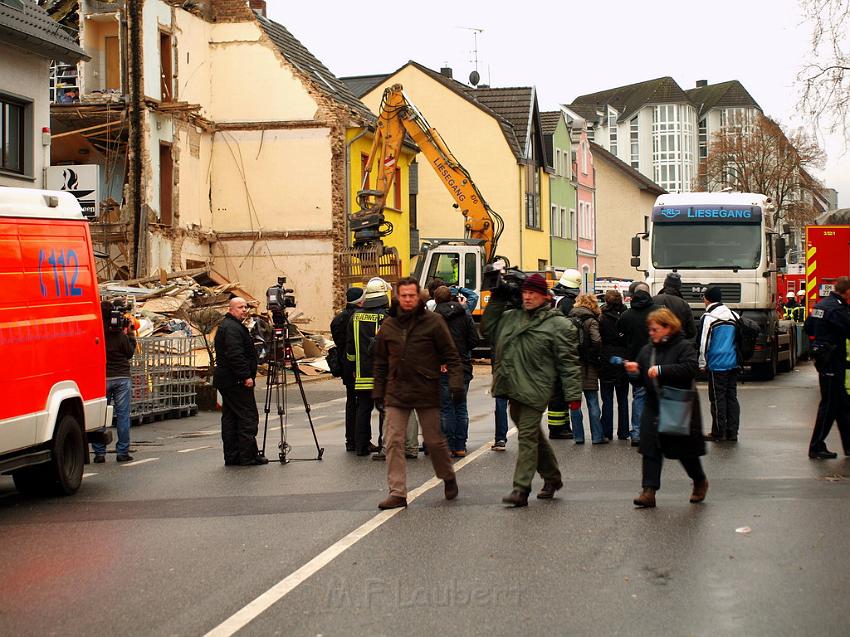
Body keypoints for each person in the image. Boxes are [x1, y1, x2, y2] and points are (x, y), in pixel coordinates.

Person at [483, 273, 582, 507]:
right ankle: (553, 478)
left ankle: (521, 488)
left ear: (545, 296)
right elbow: (487, 329)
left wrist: (573, 395)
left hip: (537, 388)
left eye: (532, 293)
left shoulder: (558, 325)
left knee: (527, 435)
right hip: (511, 385)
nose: (527, 297)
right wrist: (498, 297)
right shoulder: (511, 317)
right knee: (533, 434)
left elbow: (569, 362)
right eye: (524, 292)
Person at [372, 277, 464, 509]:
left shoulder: (434, 322)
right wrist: (378, 390)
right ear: (397, 297)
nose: (408, 300)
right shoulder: (389, 325)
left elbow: (451, 355)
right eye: (404, 296)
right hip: (397, 390)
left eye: (412, 295)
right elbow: (381, 361)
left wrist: (455, 384)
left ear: (419, 297)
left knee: (434, 442)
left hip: (426, 388)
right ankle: (397, 492)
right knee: (392, 441)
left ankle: (447, 475)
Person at [625, 308, 708, 508]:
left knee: (683, 449)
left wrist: (662, 370)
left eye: (655, 329)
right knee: (650, 447)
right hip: (654, 404)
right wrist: (635, 372)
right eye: (650, 330)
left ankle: (699, 480)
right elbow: (642, 380)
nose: (651, 333)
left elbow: (690, 369)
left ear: (668, 327)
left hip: (678, 403)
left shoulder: (683, 347)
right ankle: (649, 491)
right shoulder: (648, 350)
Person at [214, 297, 266, 465]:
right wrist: (245, 376)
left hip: (228, 379)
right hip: (235, 380)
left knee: (232, 418)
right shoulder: (232, 328)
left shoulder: (233, 326)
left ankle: (233, 455)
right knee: (247, 417)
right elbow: (235, 354)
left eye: (245, 307)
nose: (244, 310)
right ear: (230, 309)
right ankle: (246, 456)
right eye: (240, 307)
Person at [804, 276, 850, 459]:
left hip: (824, 357)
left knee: (843, 405)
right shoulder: (837, 309)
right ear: (847, 292)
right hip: (832, 359)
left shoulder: (821, 305)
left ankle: (848, 445)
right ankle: (816, 446)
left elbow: (809, 327)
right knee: (830, 404)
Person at [433, 285, 480, 457]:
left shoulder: (433, 317)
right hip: (462, 365)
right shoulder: (465, 314)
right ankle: (460, 445)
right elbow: (474, 340)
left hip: (443, 366)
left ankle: (447, 445)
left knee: (446, 407)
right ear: (452, 297)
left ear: (436, 299)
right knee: (461, 406)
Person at [347, 277, 390, 456]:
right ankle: (383, 443)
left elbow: (350, 347)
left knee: (363, 408)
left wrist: (352, 367)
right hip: (381, 372)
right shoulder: (385, 316)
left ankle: (361, 446)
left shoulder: (355, 317)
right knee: (383, 409)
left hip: (361, 372)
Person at [92, 300, 136, 463]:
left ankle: (99, 453)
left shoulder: (97, 334)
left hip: (102, 378)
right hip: (122, 377)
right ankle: (122, 451)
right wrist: (130, 334)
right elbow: (130, 353)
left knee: (101, 416)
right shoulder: (119, 335)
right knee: (123, 415)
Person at [697, 286, 741, 442]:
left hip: (717, 363)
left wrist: (702, 363)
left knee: (717, 398)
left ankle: (718, 431)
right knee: (732, 397)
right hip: (733, 362)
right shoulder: (734, 315)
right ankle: (732, 432)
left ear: (707, 299)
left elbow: (704, 343)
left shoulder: (708, 317)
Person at [617, 282, 658, 446]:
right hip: (656, 358)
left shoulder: (627, 315)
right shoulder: (658, 312)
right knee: (657, 395)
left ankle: (637, 433)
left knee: (639, 396)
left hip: (635, 360)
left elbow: (619, 333)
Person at [547, 268, 582, 439]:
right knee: (559, 392)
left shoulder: (553, 298)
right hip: (560, 351)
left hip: (550, 350)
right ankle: (557, 429)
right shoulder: (567, 303)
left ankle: (562, 426)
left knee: (558, 391)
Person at [330, 287, 365, 452]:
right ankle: (360, 440)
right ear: (361, 301)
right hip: (356, 364)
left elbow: (339, 341)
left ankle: (350, 439)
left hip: (344, 364)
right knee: (363, 403)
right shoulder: (359, 317)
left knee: (351, 402)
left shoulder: (338, 319)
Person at [568, 294, 606, 444]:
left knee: (575, 402)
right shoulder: (591, 321)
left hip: (572, 365)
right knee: (592, 401)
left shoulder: (568, 319)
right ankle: (597, 436)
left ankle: (578, 436)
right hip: (588, 365)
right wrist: (594, 355)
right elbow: (596, 340)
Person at [598, 290, 630, 441]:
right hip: (623, 357)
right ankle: (623, 432)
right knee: (623, 398)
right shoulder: (626, 316)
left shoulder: (601, 317)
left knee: (607, 398)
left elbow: (598, 339)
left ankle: (606, 431)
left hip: (607, 358)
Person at [652, 273, 696, 339]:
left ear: (664, 285)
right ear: (679, 287)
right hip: (677, 343)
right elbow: (691, 331)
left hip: (656, 341)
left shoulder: (653, 300)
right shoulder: (683, 304)